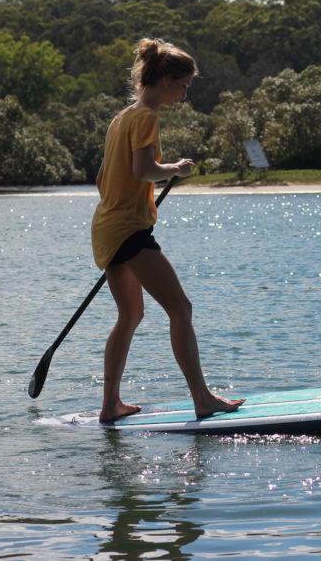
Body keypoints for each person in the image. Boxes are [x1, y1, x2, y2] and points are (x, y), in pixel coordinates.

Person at [91, 38, 245, 424]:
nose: (185, 93)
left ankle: (110, 405)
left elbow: (101, 178)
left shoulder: (121, 118)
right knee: (181, 307)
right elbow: (144, 170)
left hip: (109, 227)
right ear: (163, 80)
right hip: (128, 230)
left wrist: (129, 198)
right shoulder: (145, 118)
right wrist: (175, 168)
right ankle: (202, 398)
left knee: (130, 316)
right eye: (183, 84)